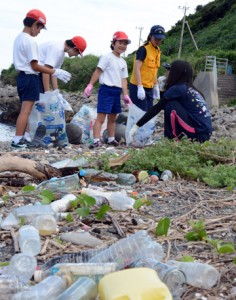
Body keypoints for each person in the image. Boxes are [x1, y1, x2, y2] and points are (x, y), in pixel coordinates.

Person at [12, 9, 71, 148]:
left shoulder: (18, 38)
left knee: (25, 109)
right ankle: (17, 140)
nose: (39, 32)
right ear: (35, 24)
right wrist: (54, 71)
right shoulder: (30, 41)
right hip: (30, 77)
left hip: (21, 77)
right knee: (27, 110)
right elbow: (35, 65)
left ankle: (24, 137)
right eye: (40, 28)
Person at [129, 60, 213, 143]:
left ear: (176, 73)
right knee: (170, 104)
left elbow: (158, 107)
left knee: (170, 105)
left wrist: (137, 126)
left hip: (196, 135)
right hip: (204, 134)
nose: (167, 73)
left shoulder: (178, 88)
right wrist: (162, 90)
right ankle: (180, 138)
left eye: (170, 70)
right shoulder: (192, 90)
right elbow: (164, 100)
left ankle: (170, 140)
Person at [83, 31, 132, 147]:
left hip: (117, 91)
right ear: (113, 43)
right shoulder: (107, 58)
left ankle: (111, 139)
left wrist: (125, 95)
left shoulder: (123, 62)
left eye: (125, 43)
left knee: (113, 118)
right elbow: (98, 71)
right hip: (106, 89)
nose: (122, 46)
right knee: (101, 117)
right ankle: (96, 140)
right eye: (120, 42)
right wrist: (90, 85)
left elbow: (124, 80)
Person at [129, 25, 165, 112]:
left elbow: (154, 70)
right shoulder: (143, 49)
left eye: (160, 39)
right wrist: (140, 87)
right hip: (138, 86)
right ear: (150, 36)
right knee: (141, 113)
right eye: (156, 38)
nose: (158, 41)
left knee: (149, 112)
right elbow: (136, 69)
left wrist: (156, 85)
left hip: (149, 87)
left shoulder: (157, 51)